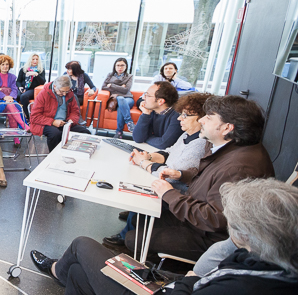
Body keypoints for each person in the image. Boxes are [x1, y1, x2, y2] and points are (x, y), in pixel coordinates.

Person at [28, 178, 298, 295]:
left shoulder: (247, 290)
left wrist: (187, 280)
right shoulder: (276, 268)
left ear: (254, 235)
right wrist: (186, 282)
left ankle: (56, 272)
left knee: (81, 244)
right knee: (81, 273)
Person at [136, 95, 275, 259]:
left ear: (226, 128)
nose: (202, 120)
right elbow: (211, 179)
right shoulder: (228, 147)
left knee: (136, 239)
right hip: (195, 219)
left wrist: (169, 194)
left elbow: (215, 219)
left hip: (208, 237)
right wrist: (183, 175)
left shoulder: (238, 167)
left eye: (208, 118)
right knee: (138, 221)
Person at [104, 93, 213, 248]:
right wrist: (149, 156)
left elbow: (171, 175)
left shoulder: (200, 144)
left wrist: (144, 163)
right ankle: (133, 220)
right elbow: (168, 151)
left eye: (185, 115)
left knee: (139, 194)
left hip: (174, 193)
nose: (179, 118)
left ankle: (124, 237)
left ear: (202, 118)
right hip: (166, 184)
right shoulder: (187, 134)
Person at [28, 75, 91, 152]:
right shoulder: (43, 94)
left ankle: (75, 154)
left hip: (64, 122)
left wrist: (71, 120)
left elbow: (75, 111)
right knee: (55, 134)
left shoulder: (70, 94)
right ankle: (54, 156)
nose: (64, 94)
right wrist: (53, 122)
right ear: (54, 86)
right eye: (62, 91)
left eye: (66, 91)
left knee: (85, 132)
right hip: (45, 124)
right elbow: (35, 117)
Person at [131, 81, 182, 149]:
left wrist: (146, 137)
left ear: (160, 101)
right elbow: (138, 138)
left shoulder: (178, 116)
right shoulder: (152, 111)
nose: (143, 98)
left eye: (148, 95)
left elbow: (163, 143)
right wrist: (145, 114)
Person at [0, 54, 26, 129]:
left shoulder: (12, 76)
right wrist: (5, 97)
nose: (5, 66)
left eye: (7, 64)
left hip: (10, 100)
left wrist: (10, 97)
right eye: (3, 64)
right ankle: (22, 125)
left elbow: (15, 89)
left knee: (10, 110)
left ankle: (16, 135)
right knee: (11, 105)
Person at [101, 57, 135, 138]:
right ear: (115, 66)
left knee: (121, 100)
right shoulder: (110, 75)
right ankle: (129, 122)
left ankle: (119, 132)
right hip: (116, 99)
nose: (120, 67)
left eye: (122, 65)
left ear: (126, 66)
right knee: (120, 101)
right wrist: (120, 87)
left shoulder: (129, 76)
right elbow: (103, 87)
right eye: (118, 65)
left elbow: (126, 89)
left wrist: (112, 85)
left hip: (128, 98)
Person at [16, 53, 46, 120]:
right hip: (23, 88)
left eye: (36, 59)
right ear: (30, 60)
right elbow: (18, 81)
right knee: (16, 96)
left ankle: (27, 116)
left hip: (33, 89)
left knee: (24, 96)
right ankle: (16, 115)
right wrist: (20, 87)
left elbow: (43, 82)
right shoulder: (23, 69)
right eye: (33, 59)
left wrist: (36, 75)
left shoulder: (41, 70)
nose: (35, 61)